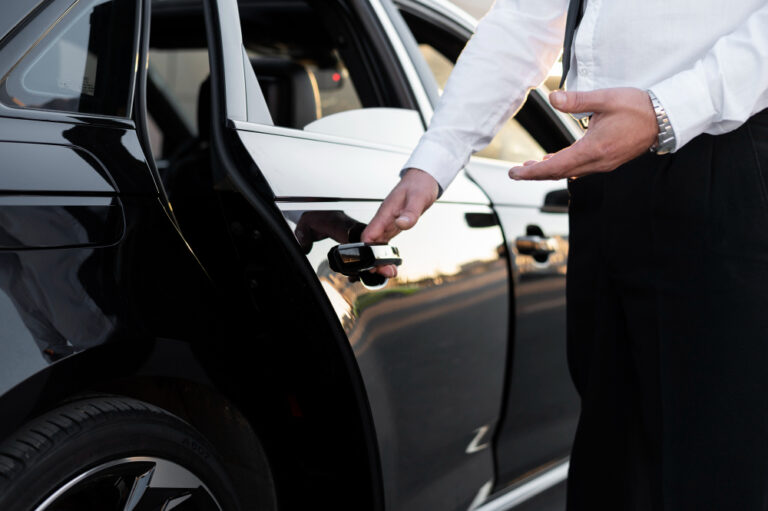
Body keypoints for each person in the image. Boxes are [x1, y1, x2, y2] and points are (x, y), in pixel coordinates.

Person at [361, 0, 768, 509]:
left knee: (722, 467)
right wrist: (435, 159)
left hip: (724, 160)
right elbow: (523, 22)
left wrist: (670, 107)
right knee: (610, 461)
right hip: (603, 179)